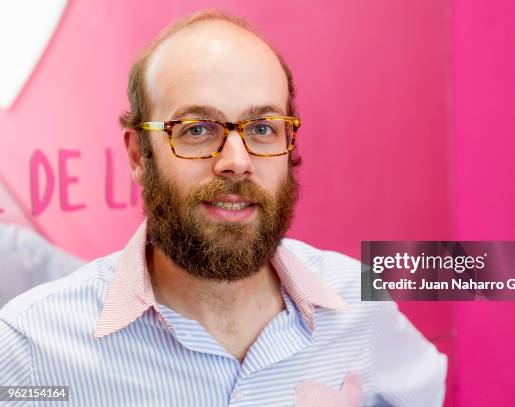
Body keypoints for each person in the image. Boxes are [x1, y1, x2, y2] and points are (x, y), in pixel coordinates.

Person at [0, 10, 447, 406]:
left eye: (263, 129)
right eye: (196, 129)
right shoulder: (32, 349)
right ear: (139, 155)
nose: (236, 161)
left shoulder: (359, 307)